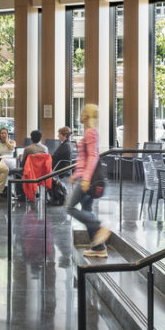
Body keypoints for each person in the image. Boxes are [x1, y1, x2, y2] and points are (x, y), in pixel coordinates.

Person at [63, 105, 112, 255]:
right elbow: (83, 159)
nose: (81, 113)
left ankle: (99, 226)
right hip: (84, 177)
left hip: (87, 180)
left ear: (87, 115)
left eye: (84, 111)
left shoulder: (90, 133)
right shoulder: (88, 132)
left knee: (69, 207)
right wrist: (76, 174)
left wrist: (84, 179)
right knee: (86, 210)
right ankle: (99, 248)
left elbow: (93, 156)